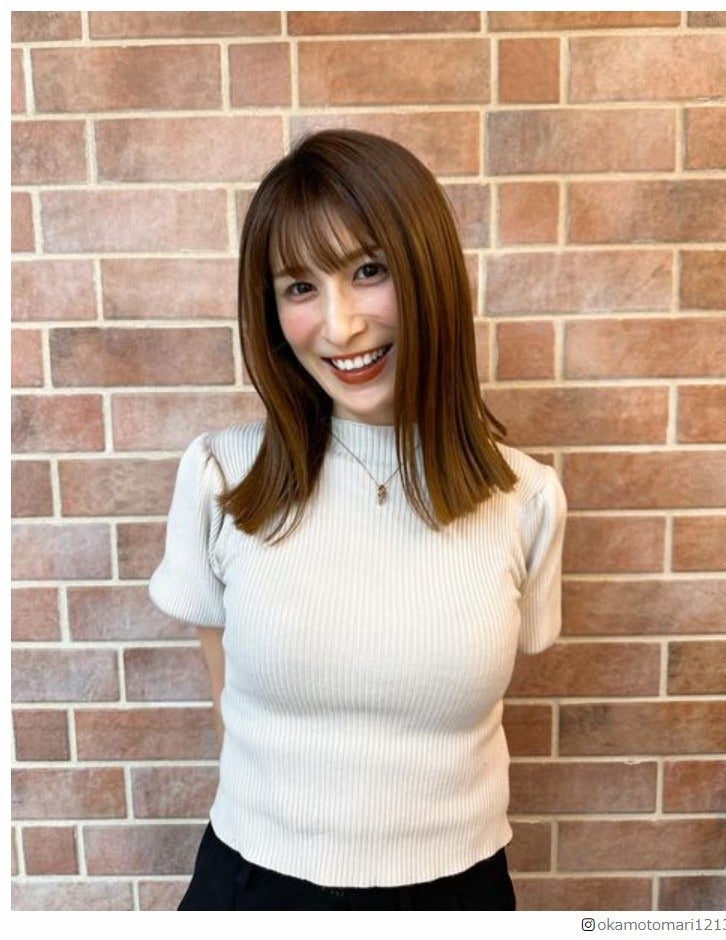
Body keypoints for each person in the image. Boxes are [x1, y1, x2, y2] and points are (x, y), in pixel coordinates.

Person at [149, 129, 567, 911]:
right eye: (298, 287)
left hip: (455, 894)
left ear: (429, 272)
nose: (340, 327)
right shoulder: (221, 478)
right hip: (252, 885)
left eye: (368, 271)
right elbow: (227, 700)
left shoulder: (526, 498)